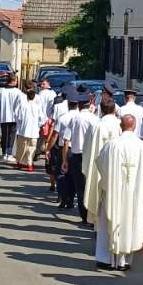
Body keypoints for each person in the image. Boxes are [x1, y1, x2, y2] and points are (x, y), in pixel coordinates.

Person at [94, 115, 143, 272]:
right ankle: (124, 260)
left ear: (121, 126)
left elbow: (100, 163)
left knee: (109, 221)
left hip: (113, 193)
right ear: (135, 126)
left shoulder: (111, 145)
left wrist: (109, 180)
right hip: (134, 195)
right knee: (130, 222)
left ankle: (106, 259)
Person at [82, 93, 121, 241]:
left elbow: (87, 149)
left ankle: (98, 225)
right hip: (115, 169)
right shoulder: (120, 125)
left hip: (97, 168)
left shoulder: (96, 125)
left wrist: (86, 167)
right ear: (114, 110)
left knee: (97, 193)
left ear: (102, 110)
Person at [58, 93, 97, 222]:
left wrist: (64, 160)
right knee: (90, 184)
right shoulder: (95, 119)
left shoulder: (75, 119)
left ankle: (84, 216)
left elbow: (66, 140)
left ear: (79, 105)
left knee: (80, 186)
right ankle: (92, 214)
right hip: (91, 155)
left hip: (77, 155)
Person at [0, 74, 25, 165]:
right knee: (12, 136)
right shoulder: (18, 92)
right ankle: (9, 154)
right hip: (14, 117)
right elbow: (21, 105)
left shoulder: (1, 91)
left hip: (4, 116)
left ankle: (4, 153)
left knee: (4, 135)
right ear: (14, 81)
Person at [14, 83, 40, 172]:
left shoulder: (23, 105)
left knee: (22, 147)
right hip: (34, 131)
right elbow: (42, 118)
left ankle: (19, 163)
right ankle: (29, 164)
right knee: (32, 148)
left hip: (23, 130)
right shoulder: (37, 107)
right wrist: (38, 126)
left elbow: (17, 116)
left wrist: (19, 123)